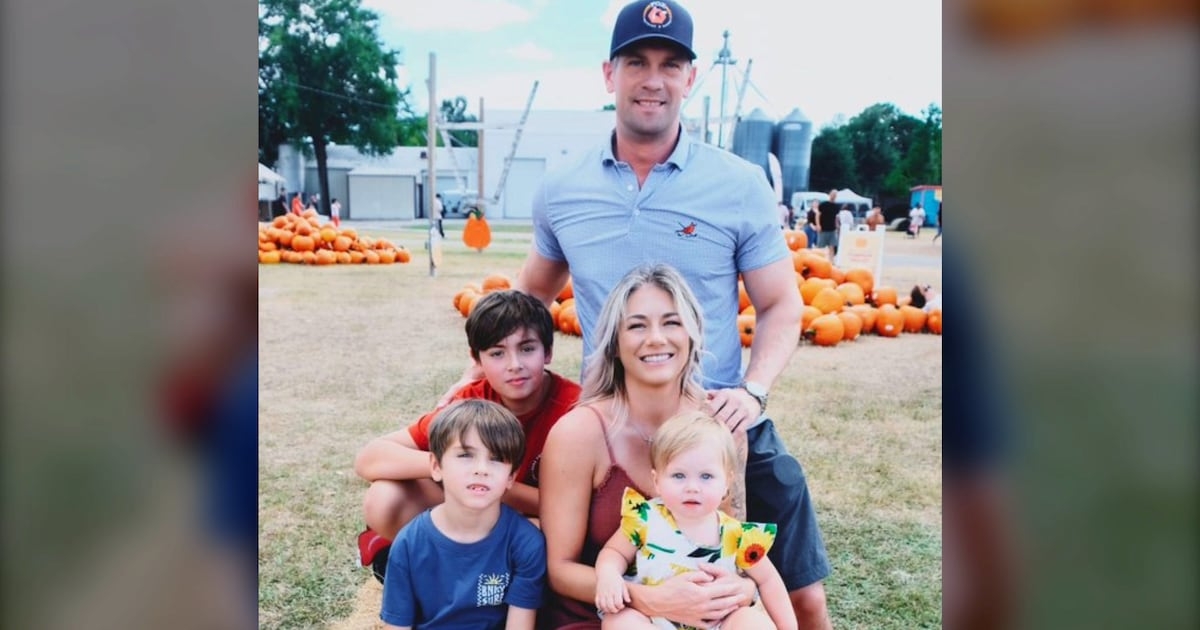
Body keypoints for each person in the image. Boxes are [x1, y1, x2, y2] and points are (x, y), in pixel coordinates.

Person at [443, 2, 832, 626]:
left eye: (670, 64)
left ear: (690, 77)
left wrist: (753, 392)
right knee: (592, 576)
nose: (653, 79)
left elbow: (782, 305)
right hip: (610, 420)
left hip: (717, 417)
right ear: (609, 74)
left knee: (800, 591)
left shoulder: (739, 185)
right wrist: (474, 380)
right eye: (636, 63)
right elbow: (528, 300)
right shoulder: (563, 186)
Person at [538, 263, 775, 629]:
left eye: (671, 322)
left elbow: (734, 545)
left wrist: (742, 589)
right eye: (637, 326)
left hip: (702, 616)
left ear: (692, 335)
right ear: (614, 344)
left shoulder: (719, 425)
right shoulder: (579, 433)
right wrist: (650, 599)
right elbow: (560, 570)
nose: (656, 338)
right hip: (607, 616)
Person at [356, 290, 580, 582]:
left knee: (553, 538)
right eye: (497, 353)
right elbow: (369, 458)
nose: (514, 364)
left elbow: (576, 508)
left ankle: (454, 566)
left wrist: (497, 485)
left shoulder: (575, 410)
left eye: (527, 349)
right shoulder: (471, 402)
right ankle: (439, 559)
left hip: (538, 522)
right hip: (479, 513)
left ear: (547, 352)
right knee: (385, 498)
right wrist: (452, 466)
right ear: (477, 360)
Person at [594, 410, 797, 630]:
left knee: (751, 622)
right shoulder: (645, 518)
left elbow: (769, 580)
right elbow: (614, 552)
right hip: (653, 619)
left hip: (717, 623)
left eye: (706, 476)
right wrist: (608, 575)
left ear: (726, 483)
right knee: (619, 621)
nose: (692, 487)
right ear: (657, 480)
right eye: (679, 475)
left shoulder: (737, 535)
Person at [379, 398, 546, 629]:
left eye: (496, 459)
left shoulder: (526, 543)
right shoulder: (409, 543)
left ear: (511, 477)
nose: (481, 469)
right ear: (436, 466)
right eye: (466, 455)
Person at [816, 190, 839, 260]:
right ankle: (819, 260)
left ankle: (831, 261)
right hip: (823, 229)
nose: (833, 196)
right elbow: (818, 215)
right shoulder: (823, 205)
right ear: (829, 194)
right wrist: (818, 225)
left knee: (832, 246)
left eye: (835, 195)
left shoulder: (836, 206)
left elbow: (835, 217)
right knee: (821, 247)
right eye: (832, 194)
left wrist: (837, 226)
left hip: (832, 229)